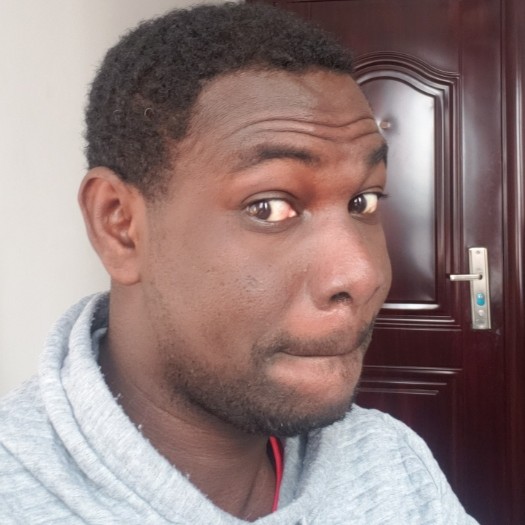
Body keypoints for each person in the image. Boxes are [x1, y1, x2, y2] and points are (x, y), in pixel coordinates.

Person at [0, 3, 478, 524]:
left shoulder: (390, 460)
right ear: (120, 226)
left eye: (363, 201)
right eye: (269, 207)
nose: (361, 276)